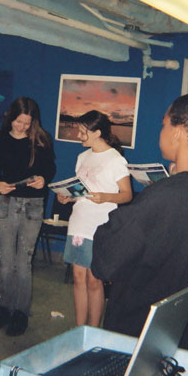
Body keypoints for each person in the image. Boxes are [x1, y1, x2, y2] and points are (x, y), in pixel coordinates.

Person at [91, 94, 188, 352]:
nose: (162, 131)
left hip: (144, 336)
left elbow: (105, 262)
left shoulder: (163, 196)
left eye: (164, 124)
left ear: (177, 132)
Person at [0, 97, 56, 336]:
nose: (22, 127)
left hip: (33, 205)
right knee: (7, 262)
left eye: (27, 123)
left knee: (23, 263)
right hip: (6, 203)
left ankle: (20, 313)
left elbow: (49, 169)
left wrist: (44, 179)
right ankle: (4, 308)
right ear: (10, 117)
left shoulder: (41, 139)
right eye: (18, 121)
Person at [57, 110, 132, 327]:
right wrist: (69, 197)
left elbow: (126, 195)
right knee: (78, 278)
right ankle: (80, 328)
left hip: (101, 226)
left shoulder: (115, 159)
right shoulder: (82, 157)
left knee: (94, 280)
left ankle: (93, 329)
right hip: (78, 221)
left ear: (97, 132)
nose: (79, 136)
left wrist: (104, 197)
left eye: (83, 132)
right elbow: (83, 192)